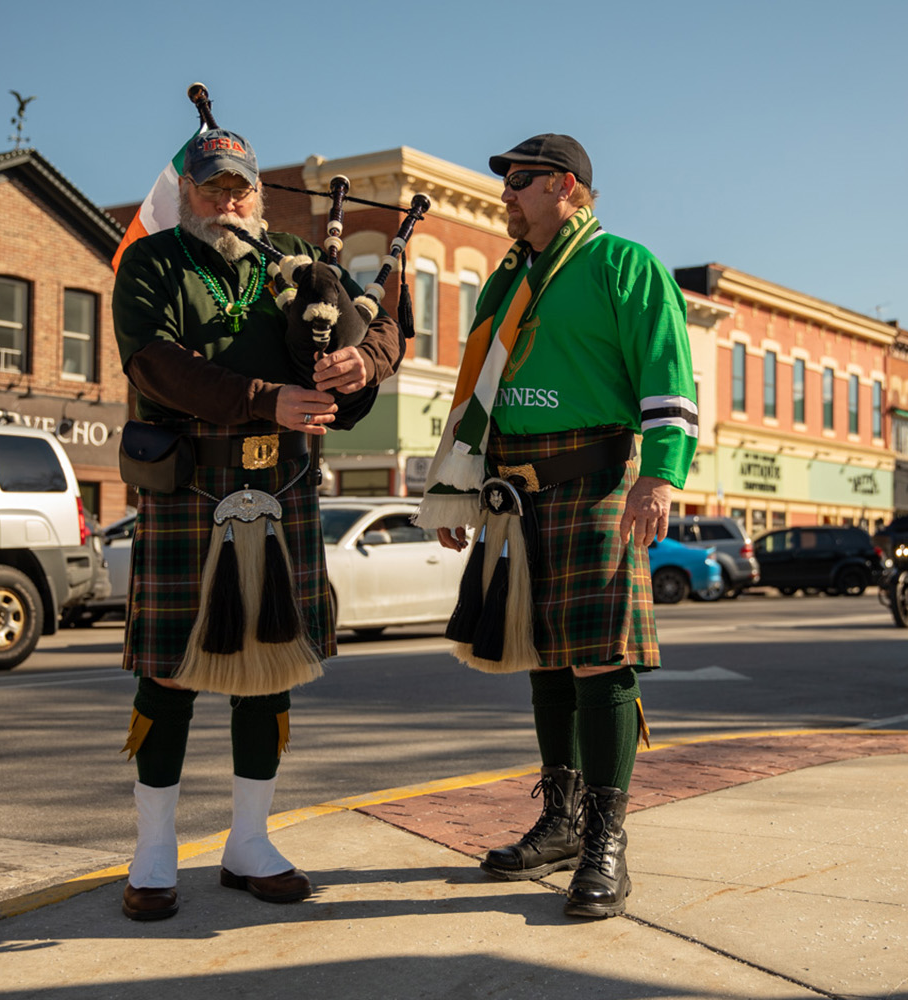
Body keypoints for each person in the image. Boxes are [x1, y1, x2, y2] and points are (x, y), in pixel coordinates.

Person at [111, 127, 402, 921]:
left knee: (271, 667)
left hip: (284, 480)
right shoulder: (153, 262)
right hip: (189, 485)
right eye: (212, 188)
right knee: (169, 670)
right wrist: (260, 398)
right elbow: (154, 364)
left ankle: (249, 841)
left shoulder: (293, 260)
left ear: (258, 193)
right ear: (187, 193)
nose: (228, 201)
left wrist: (362, 363)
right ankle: (154, 852)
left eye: (240, 188)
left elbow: (377, 330)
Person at [415, 134, 697, 919]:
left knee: (601, 662)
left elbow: (668, 374)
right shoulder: (506, 281)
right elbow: (477, 396)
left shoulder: (623, 266)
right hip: (516, 491)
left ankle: (607, 840)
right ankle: (562, 822)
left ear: (566, 188)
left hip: (598, 482)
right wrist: (459, 488)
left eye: (519, 181)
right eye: (505, 182)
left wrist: (660, 476)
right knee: (542, 657)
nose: (504, 193)